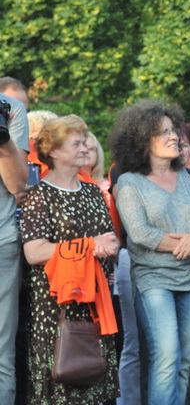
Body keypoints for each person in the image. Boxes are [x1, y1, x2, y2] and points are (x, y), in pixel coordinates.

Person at [110, 101, 190, 405]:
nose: (174, 137)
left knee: (184, 359)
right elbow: (141, 234)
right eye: (163, 132)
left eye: (173, 130)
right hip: (153, 279)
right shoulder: (129, 182)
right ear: (142, 140)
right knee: (166, 356)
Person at [20, 115, 120, 404]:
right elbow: (34, 252)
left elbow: (110, 238)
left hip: (94, 301)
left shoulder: (92, 192)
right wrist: (89, 246)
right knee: (61, 382)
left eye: (85, 141)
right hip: (56, 304)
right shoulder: (39, 195)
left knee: (94, 380)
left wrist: (109, 244)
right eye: (76, 143)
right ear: (53, 151)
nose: (85, 147)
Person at [0, 91, 28, 403]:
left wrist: (2, 136)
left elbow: (18, 184)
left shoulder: (10, 108)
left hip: (2, 242)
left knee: (1, 357)